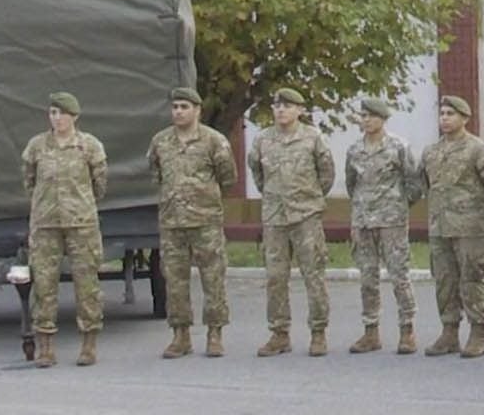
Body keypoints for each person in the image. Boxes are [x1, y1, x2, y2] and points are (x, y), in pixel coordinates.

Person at [147, 86, 238, 359]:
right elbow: (156, 174)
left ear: (197, 110)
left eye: (184, 107)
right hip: (172, 223)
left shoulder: (214, 141)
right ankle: (180, 335)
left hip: (205, 221)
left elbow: (228, 178)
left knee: (213, 279)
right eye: (175, 107)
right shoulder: (161, 142)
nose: (178, 112)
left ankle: (214, 333)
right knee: (174, 281)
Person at [22, 91, 108, 368]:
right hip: (46, 225)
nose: (56, 118)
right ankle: (45, 346)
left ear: (74, 117)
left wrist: (79, 205)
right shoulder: (37, 147)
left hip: (81, 224)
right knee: (44, 286)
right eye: (52, 113)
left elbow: (100, 185)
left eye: (61, 113)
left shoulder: (89, 146)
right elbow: (29, 181)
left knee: (87, 286)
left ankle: (88, 344)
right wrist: (43, 207)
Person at [247, 88, 335, 356]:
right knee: (275, 277)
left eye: (287, 105)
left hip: (305, 216)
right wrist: (275, 198)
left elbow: (326, 175)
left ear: (300, 110)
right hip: (274, 217)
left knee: (314, 275)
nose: (281, 110)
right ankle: (279, 333)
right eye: (277, 105)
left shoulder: (313, 138)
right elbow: (258, 175)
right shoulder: (263, 140)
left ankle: (318, 333)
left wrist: (308, 199)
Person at [417, 96, 484, 359]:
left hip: (470, 226)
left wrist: (481, 213)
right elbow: (426, 184)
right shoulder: (431, 152)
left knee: (472, 278)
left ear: (465, 118)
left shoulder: (478, 150)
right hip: (440, 226)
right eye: (442, 113)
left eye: (450, 114)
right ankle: (449, 331)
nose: (444, 118)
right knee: (444, 280)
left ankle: (478, 332)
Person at [344, 98, 421, 354]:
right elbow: (351, 183)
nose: (366, 120)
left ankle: (407, 329)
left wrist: (397, 206)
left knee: (399, 276)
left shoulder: (398, 146)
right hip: (363, 220)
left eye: (371, 116)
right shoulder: (355, 149)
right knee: (367, 278)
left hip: (391, 221)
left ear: (382, 119)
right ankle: (370, 331)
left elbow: (413, 182)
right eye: (363, 116)